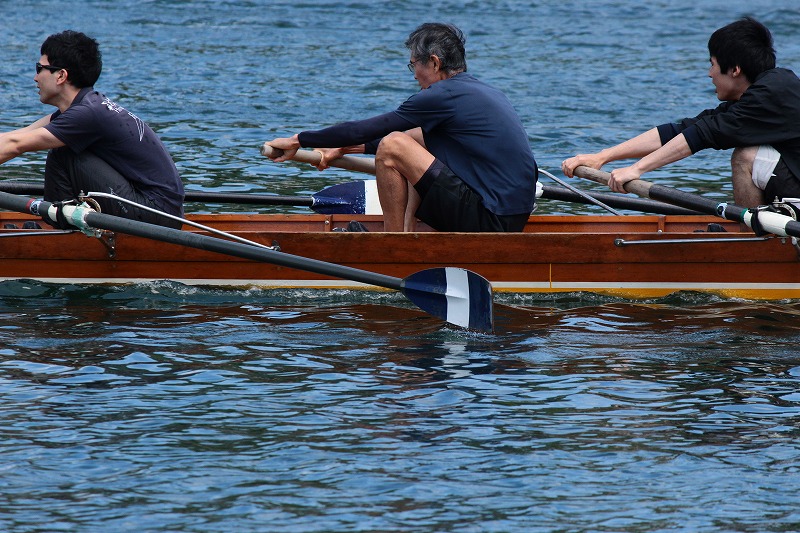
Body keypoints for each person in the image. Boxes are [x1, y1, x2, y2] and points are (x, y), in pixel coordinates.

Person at [266, 22, 538, 232]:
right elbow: (412, 138)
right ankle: (408, 234)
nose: (414, 75)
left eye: (413, 65)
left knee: (393, 145)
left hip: (490, 220)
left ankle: (393, 244)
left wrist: (298, 140)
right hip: (512, 218)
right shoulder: (481, 92)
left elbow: (368, 129)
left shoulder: (442, 95)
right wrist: (342, 149)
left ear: (434, 62)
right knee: (411, 139)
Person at [562, 17, 800, 215]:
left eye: (712, 64)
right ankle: (758, 233)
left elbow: (700, 135)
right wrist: (602, 157)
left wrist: (636, 170)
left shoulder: (772, 93)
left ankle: (753, 243)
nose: (709, 74)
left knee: (745, 156)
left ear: (735, 69)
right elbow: (684, 130)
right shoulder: (762, 95)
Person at [0, 30, 184, 229]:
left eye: (40, 69)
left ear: (61, 75)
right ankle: (65, 225)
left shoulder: (87, 114)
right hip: (150, 206)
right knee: (64, 146)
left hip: (156, 213)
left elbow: (16, 145)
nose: (35, 77)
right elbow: (14, 137)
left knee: (63, 152)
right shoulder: (83, 108)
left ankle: (62, 231)